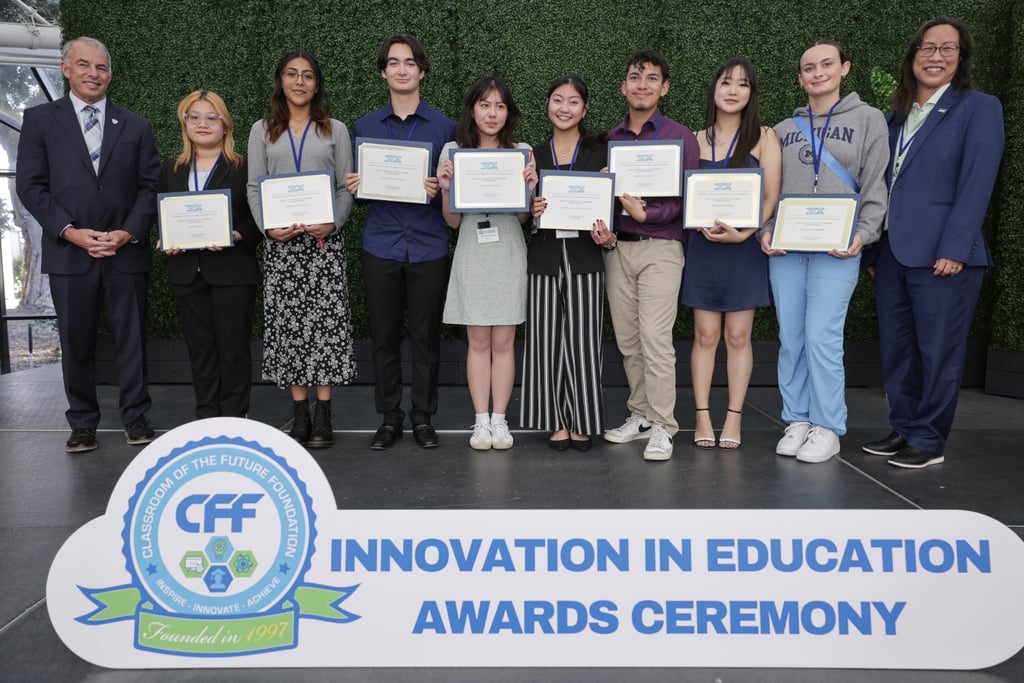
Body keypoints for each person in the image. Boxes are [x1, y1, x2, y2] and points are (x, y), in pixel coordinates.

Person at [862, 18, 1004, 469]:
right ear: (913, 56)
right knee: (898, 349)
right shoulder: (895, 116)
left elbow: (977, 183)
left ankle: (928, 438)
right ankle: (904, 427)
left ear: (961, 58)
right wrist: (874, 250)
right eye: (927, 48)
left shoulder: (979, 108)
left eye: (948, 48)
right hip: (892, 253)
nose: (936, 57)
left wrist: (955, 248)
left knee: (938, 351)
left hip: (944, 256)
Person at [16, 36, 160, 453]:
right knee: (75, 342)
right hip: (68, 253)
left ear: (110, 75)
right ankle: (82, 423)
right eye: (84, 65)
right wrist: (70, 231)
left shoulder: (136, 125)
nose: (93, 74)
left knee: (132, 341)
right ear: (66, 69)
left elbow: (150, 186)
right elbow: (31, 186)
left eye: (101, 67)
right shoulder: (40, 120)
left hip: (125, 252)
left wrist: (127, 232)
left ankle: (135, 417)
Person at [760, 40, 889, 463]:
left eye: (827, 64)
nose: (818, 73)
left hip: (838, 248)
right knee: (791, 338)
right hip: (787, 250)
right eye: (809, 68)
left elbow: (875, 184)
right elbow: (768, 190)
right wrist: (765, 230)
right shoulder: (783, 130)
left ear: (844, 68)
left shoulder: (869, 120)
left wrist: (864, 234)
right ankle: (797, 419)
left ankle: (828, 426)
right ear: (800, 78)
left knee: (822, 336)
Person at [345, 35, 456, 451]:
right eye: (393, 63)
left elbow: (455, 192)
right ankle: (389, 417)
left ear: (422, 71)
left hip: (429, 244)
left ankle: (422, 417)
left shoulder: (445, 128)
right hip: (381, 244)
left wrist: (441, 189)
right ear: (383, 72)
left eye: (410, 62)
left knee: (426, 338)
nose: (402, 69)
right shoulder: (365, 127)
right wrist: (356, 186)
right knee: (384, 337)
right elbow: (362, 194)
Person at [247, 50, 355, 448]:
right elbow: (254, 186)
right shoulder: (262, 130)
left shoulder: (335, 130)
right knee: (289, 328)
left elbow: (345, 186)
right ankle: (299, 413)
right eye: (292, 74)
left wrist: (334, 222)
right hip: (281, 247)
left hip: (323, 244)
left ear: (317, 84)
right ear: (281, 81)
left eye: (307, 75)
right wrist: (268, 227)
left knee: (325, 328)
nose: (299, 82)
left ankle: (323, 412)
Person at [602, 49, 699, 461]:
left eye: (651, 78)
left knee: (656, 340)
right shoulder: (612, 139)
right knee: (628, 342)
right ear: (624, 87)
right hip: (618, 248)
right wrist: (604, 212)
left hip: (661, 249)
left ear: (665, 88)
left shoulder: (681, 137)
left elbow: (688, 198)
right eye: (635, 77)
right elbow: (605, 197)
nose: (642, 85)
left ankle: (663, 424)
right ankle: (640, 415)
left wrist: (649, 214)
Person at [682, 58, 781, 450]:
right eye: (726, 82)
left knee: (738, 336)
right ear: (714, 89)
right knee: (705, 335)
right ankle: (702, 415)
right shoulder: (694, 139)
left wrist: (744, 234)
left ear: (751, 93)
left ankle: (734, 417)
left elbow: (771, 197)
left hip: (744, 249)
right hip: (703, 248)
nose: (733, 90)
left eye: (742, 84)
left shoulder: (765, 137)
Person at [436, 75, 537, 451]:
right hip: (472, 252)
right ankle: (481, 421)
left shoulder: (522, 152)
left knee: (504, 341)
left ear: (508, 113)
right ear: (472, 110)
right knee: (478, 341)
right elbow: (451, 221)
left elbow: (524, 219)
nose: (492, 113)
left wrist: (528, 190)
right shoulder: (452, 152)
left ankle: (500, 420)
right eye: (485, 105)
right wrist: (446, 190)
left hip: (508, 250)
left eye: (499, 106)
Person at [523, 74, 614, 452]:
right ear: (548, 105)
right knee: (545, 341)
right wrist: (530, 209)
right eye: (557, 100)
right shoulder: (532, 155)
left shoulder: (601, 153)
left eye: (573, 101)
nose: (564, 108)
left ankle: (583, 420)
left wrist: (608, 231)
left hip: (586, 256)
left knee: (585, 342)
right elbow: (521, 215)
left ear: (585, 108)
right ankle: (556, 421)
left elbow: (614, 209)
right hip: (543, 256)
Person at [158, 90, 261, 419]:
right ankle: (206, 417)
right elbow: (163, 214)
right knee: (200, 350)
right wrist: (166, 238)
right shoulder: (171, 168)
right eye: (194, 117)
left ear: (225, 124)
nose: (202, 124)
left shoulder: (244, 167)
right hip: (187, 272)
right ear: (185, 123)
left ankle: (234, 416)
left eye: (211, 117)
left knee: (233, 349)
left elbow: (259, 217)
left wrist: (238, 234)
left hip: (233, 271)